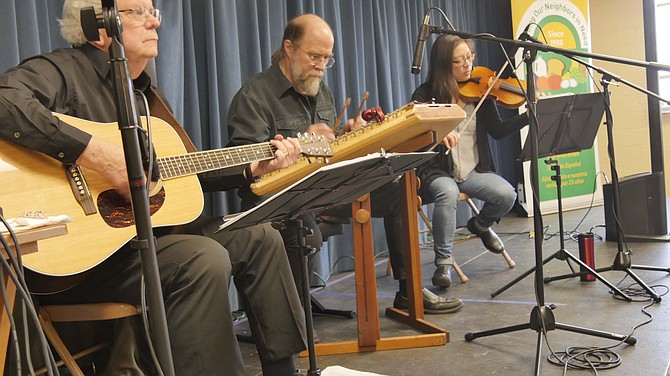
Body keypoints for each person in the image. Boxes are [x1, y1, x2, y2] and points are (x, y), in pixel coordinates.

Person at [0, 0, 307, 375]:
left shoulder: (144, 96)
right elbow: (5, 101)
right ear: (98, 27)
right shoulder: (63, 69)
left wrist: (252, 167)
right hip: (84, 263)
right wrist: (93, 152)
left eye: (154, 12)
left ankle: (284, 370)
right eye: (138, 12)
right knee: (200, 257)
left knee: (259, 237)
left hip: (139, 244)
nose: (154, 23)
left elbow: (175, 172)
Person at [226, 13, 463, 314]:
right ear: (289, 47)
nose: (321, 66)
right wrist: (298, 144)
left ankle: (409, 292)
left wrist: (347, 135)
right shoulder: (255, 95)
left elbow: (332, 143)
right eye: (314, 56)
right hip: (283, 197)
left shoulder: (318, 88)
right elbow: (244, 163)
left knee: (398, 196)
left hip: (326, 188)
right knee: (303, 233)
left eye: (327, 58)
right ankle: (290, 316)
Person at [410, 35, 529, 288]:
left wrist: (527, 117)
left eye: (470, 57)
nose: (468, 65)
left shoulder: (481, 91)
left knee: (506, 195)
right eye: (459, 60)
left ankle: (480, 225)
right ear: (443, 64)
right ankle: (443, 263)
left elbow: (497, 131)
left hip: (472, 171)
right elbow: (414, 131)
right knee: (447, 192)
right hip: (436, 172)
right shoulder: (426, 94)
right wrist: (438, 132)